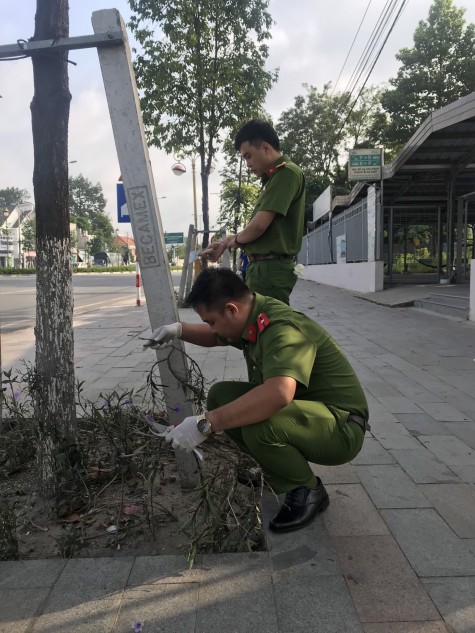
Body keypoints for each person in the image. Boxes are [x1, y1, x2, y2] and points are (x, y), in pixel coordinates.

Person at [144, 268, 370, 533]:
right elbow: (218, 336)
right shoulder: (254, 314)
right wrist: (178, 330)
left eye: (211, 320)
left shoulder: (282, 329)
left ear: (231, 310)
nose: (211, 327)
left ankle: (307, 490)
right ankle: (271, 470)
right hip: (313, 417)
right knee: (221, 396)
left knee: (262, 424)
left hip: (341, 428)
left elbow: (278, 394)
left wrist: (205, 424)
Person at [200, 119, 305, 304]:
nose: (248, 164)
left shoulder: (286, 173)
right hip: (263, 268)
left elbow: (258, 226)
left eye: (248, 156)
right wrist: (225, 243)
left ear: (265, 147)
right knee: (258, 326)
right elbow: (256, 228)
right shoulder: (273, 178)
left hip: (270, 270)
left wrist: (231, 242)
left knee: (267, 327)